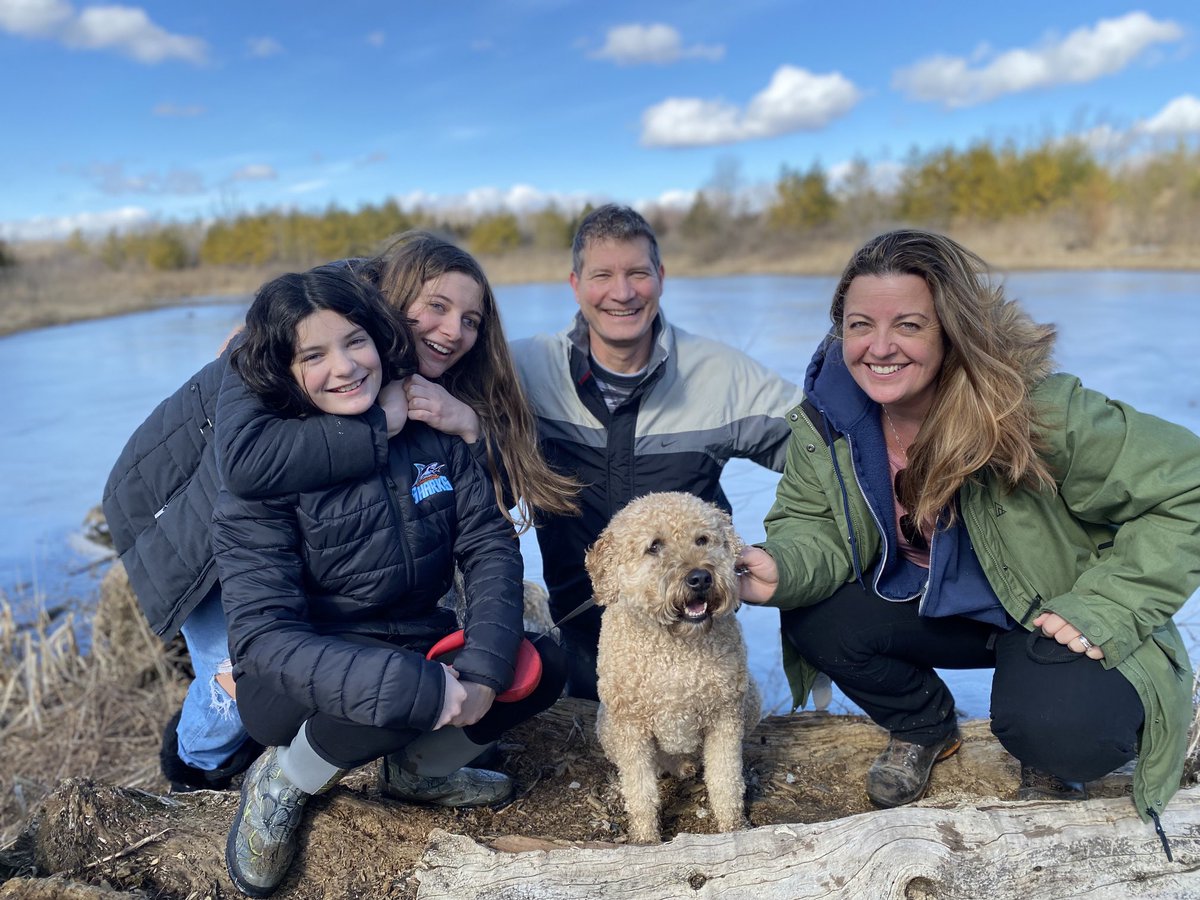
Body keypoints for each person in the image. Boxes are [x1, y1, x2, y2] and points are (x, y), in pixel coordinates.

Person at [736, 230, 1199, 834]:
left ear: (951, 330)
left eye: (908, 325)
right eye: (858, 325)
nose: (879, 347)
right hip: (935, 605)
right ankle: (925, 726)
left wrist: (1108, 604)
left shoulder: (1037, 411)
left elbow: (1188, 485)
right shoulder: (828, 422)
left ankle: (1077, 714)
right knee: (815, 614)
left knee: (1063, 736)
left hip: (1053, 610)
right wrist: (785, 565)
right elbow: (811, 523)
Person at [102, 231, 576, 793]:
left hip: (287, 526)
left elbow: (484, 515)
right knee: (227, 681)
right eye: (436, 308)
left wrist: (468, 426)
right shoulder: (288, 333)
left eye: (471, 319)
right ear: (390, 302)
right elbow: (247, 462)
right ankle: (195, 778)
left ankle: (407, 763)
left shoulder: (419, 370)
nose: (453, 330)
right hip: (182, 526)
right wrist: (381, 424)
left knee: (370, 667)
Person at [211, 265, 566, 897]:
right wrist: (415, 687)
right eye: (313, 355)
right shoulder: (264, 475)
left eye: (354, 342)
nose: (344, 367)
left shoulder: (428, 425)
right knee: (405, 692)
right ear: (283, 369)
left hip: (412, 633)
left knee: (538, 667)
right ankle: (285, 779)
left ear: (379, 338)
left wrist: (483, 669)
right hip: (295, 672)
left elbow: (487, 544)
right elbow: (265, 636)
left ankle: (417, 772)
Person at [509, 204, 805, 698]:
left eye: (638, 273)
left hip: (698, 639)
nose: (622, 293)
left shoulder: (722, 375)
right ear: (575, 283)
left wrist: (791, 558)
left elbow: (829, 456)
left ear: (661, 278)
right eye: (603, 275)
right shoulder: (525, 370)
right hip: (583, 635)